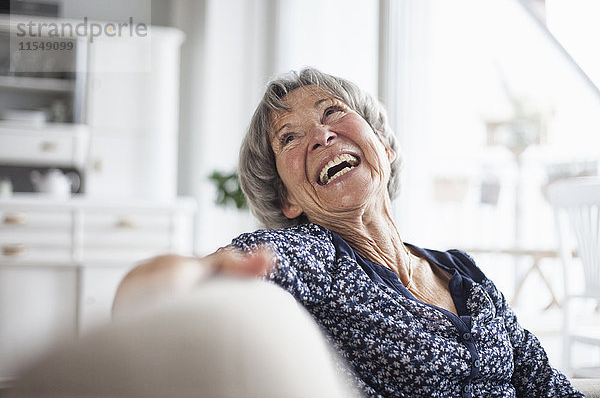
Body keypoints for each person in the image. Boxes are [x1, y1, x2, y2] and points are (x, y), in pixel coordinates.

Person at [113, 68, 583, 397]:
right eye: (289, 138)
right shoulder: (313, 258)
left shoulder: (462, 272)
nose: (320, 136)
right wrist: (181, 282)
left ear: (385, 145)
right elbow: (170, 288)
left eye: (331, 112)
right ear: (287, 201)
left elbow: (542, 382)